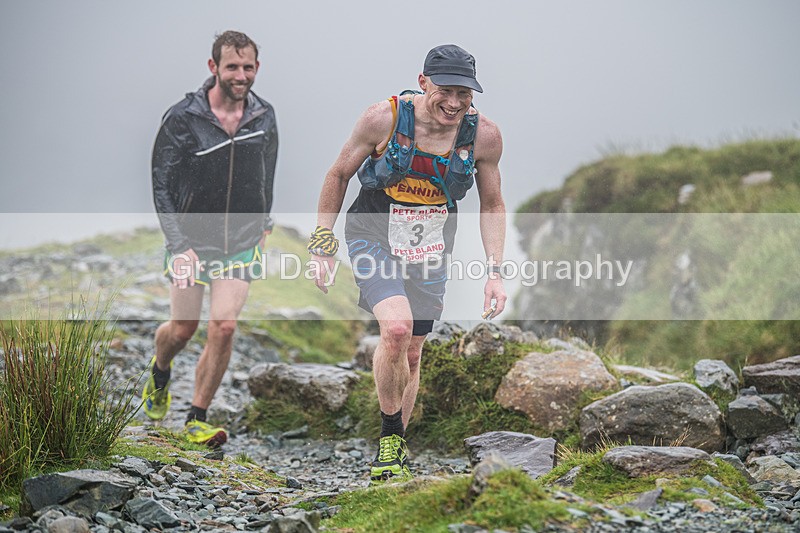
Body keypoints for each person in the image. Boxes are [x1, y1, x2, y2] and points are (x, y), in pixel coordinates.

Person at [308, 44, 507, 482]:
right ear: (423, 83)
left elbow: (492, 204)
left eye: (465, 94)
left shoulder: (484, 136)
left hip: (431, 244)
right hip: (373, 231)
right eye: (445, 91)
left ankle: (396, 451)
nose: (454, 103)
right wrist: (323, 244)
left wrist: (495, 272)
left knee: (413, 352)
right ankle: (389, 439)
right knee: (395, 330)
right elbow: (338, 174)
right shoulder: (384, 118)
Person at [145, 30, 278, 447]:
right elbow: (161, 185)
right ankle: (160, 370)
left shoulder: (264, 116)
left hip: (241, 240)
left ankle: (196, 417)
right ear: (213, 68)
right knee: (183, 329)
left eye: (248, 67)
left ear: (258, 68)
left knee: (223, 326)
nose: (241, 75)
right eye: (232, 67)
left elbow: (265, 173)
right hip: (190, 241)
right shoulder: (183, 118)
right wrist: (177, 242)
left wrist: (263, 220)